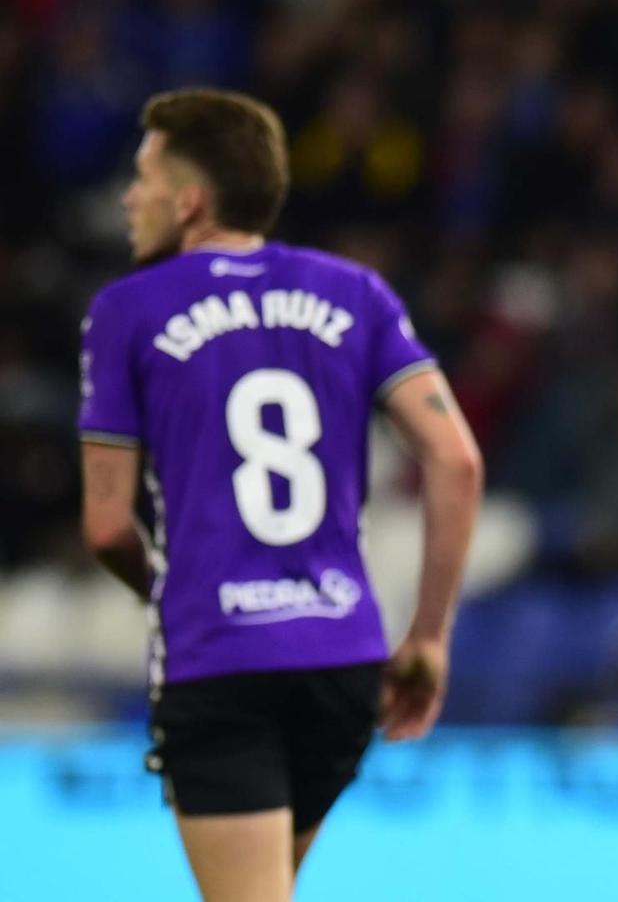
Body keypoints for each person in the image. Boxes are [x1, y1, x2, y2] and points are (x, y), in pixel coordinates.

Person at [78, 88, 483, 902]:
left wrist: (169, 589)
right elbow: (457, 460)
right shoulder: (356, 293)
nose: (130, 197)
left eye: (144, 176)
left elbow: (106, 524)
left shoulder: (127, 310)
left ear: (190, 201)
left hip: (221, 656)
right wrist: (430, 637)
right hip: (340, 657)